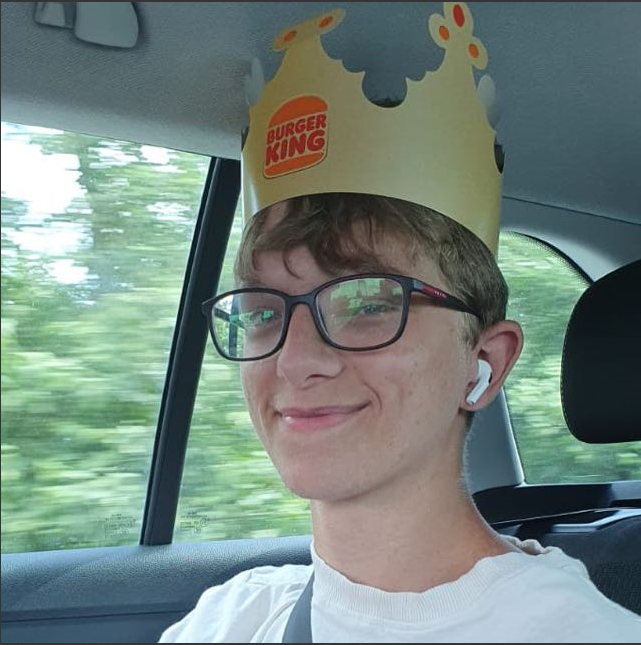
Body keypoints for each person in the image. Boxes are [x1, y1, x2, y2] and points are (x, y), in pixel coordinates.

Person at [160, 3, 641, 642]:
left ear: (485, 362)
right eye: (263, 312)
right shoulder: (228, 618)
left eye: (368, 304)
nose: (294, 361)